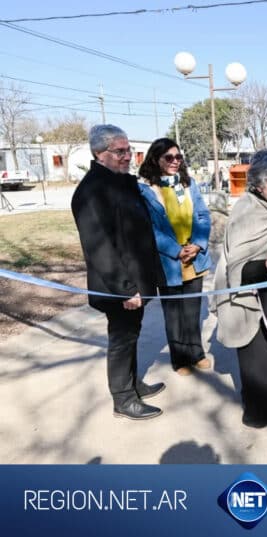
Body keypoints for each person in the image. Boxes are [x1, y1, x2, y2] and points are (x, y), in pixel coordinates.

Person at [71, 125, 165, 420]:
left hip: (135, 280)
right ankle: (123, 399)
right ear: (100, 154)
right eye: (120, 151)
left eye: (128, 150)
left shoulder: (122, 182)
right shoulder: (91, 191)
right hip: (119, 286)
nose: (128, 157)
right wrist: (125, 289)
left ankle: (132, 383)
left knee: (132, 333)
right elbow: (100, 248)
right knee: (122, 337)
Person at [211, 150, 267, 432]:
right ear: (260, 185)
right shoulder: (248, 211)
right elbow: (239, 268)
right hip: (243, 293)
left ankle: (260, 400)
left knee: (265, 349)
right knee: (254, 353)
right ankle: (264, 412)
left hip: (266, 287)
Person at [138, 138, 212, 376]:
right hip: (169, 260)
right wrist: (176, 250)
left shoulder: (189, 185)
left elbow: (202, 215)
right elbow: (150, 229)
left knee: (192, 311)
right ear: (155, 159)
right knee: (174, 314)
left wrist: (198, 245)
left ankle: (196, 353)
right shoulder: (146, 190)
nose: (174, 162)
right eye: (168, 158)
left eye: (178, 157)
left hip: (193, 257)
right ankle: (179, 359)